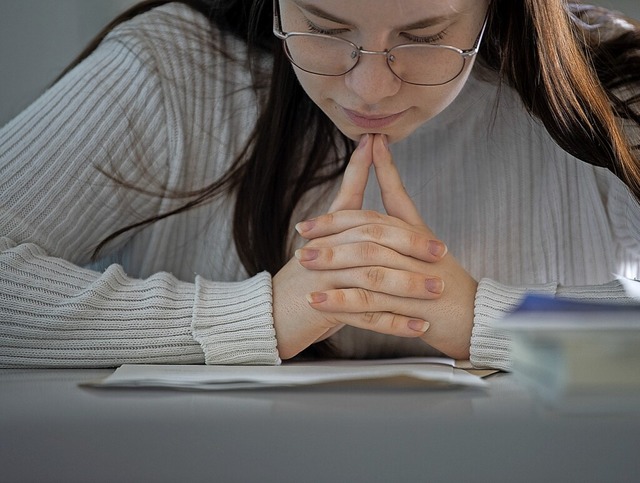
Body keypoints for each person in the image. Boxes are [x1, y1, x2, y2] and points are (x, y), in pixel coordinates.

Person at [1, 0, 639, 369]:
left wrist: (487, 319)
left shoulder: (612, 86)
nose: (370, 89)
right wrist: (252, 318)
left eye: (423, 37)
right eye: (326, 27)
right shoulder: (170, 69)